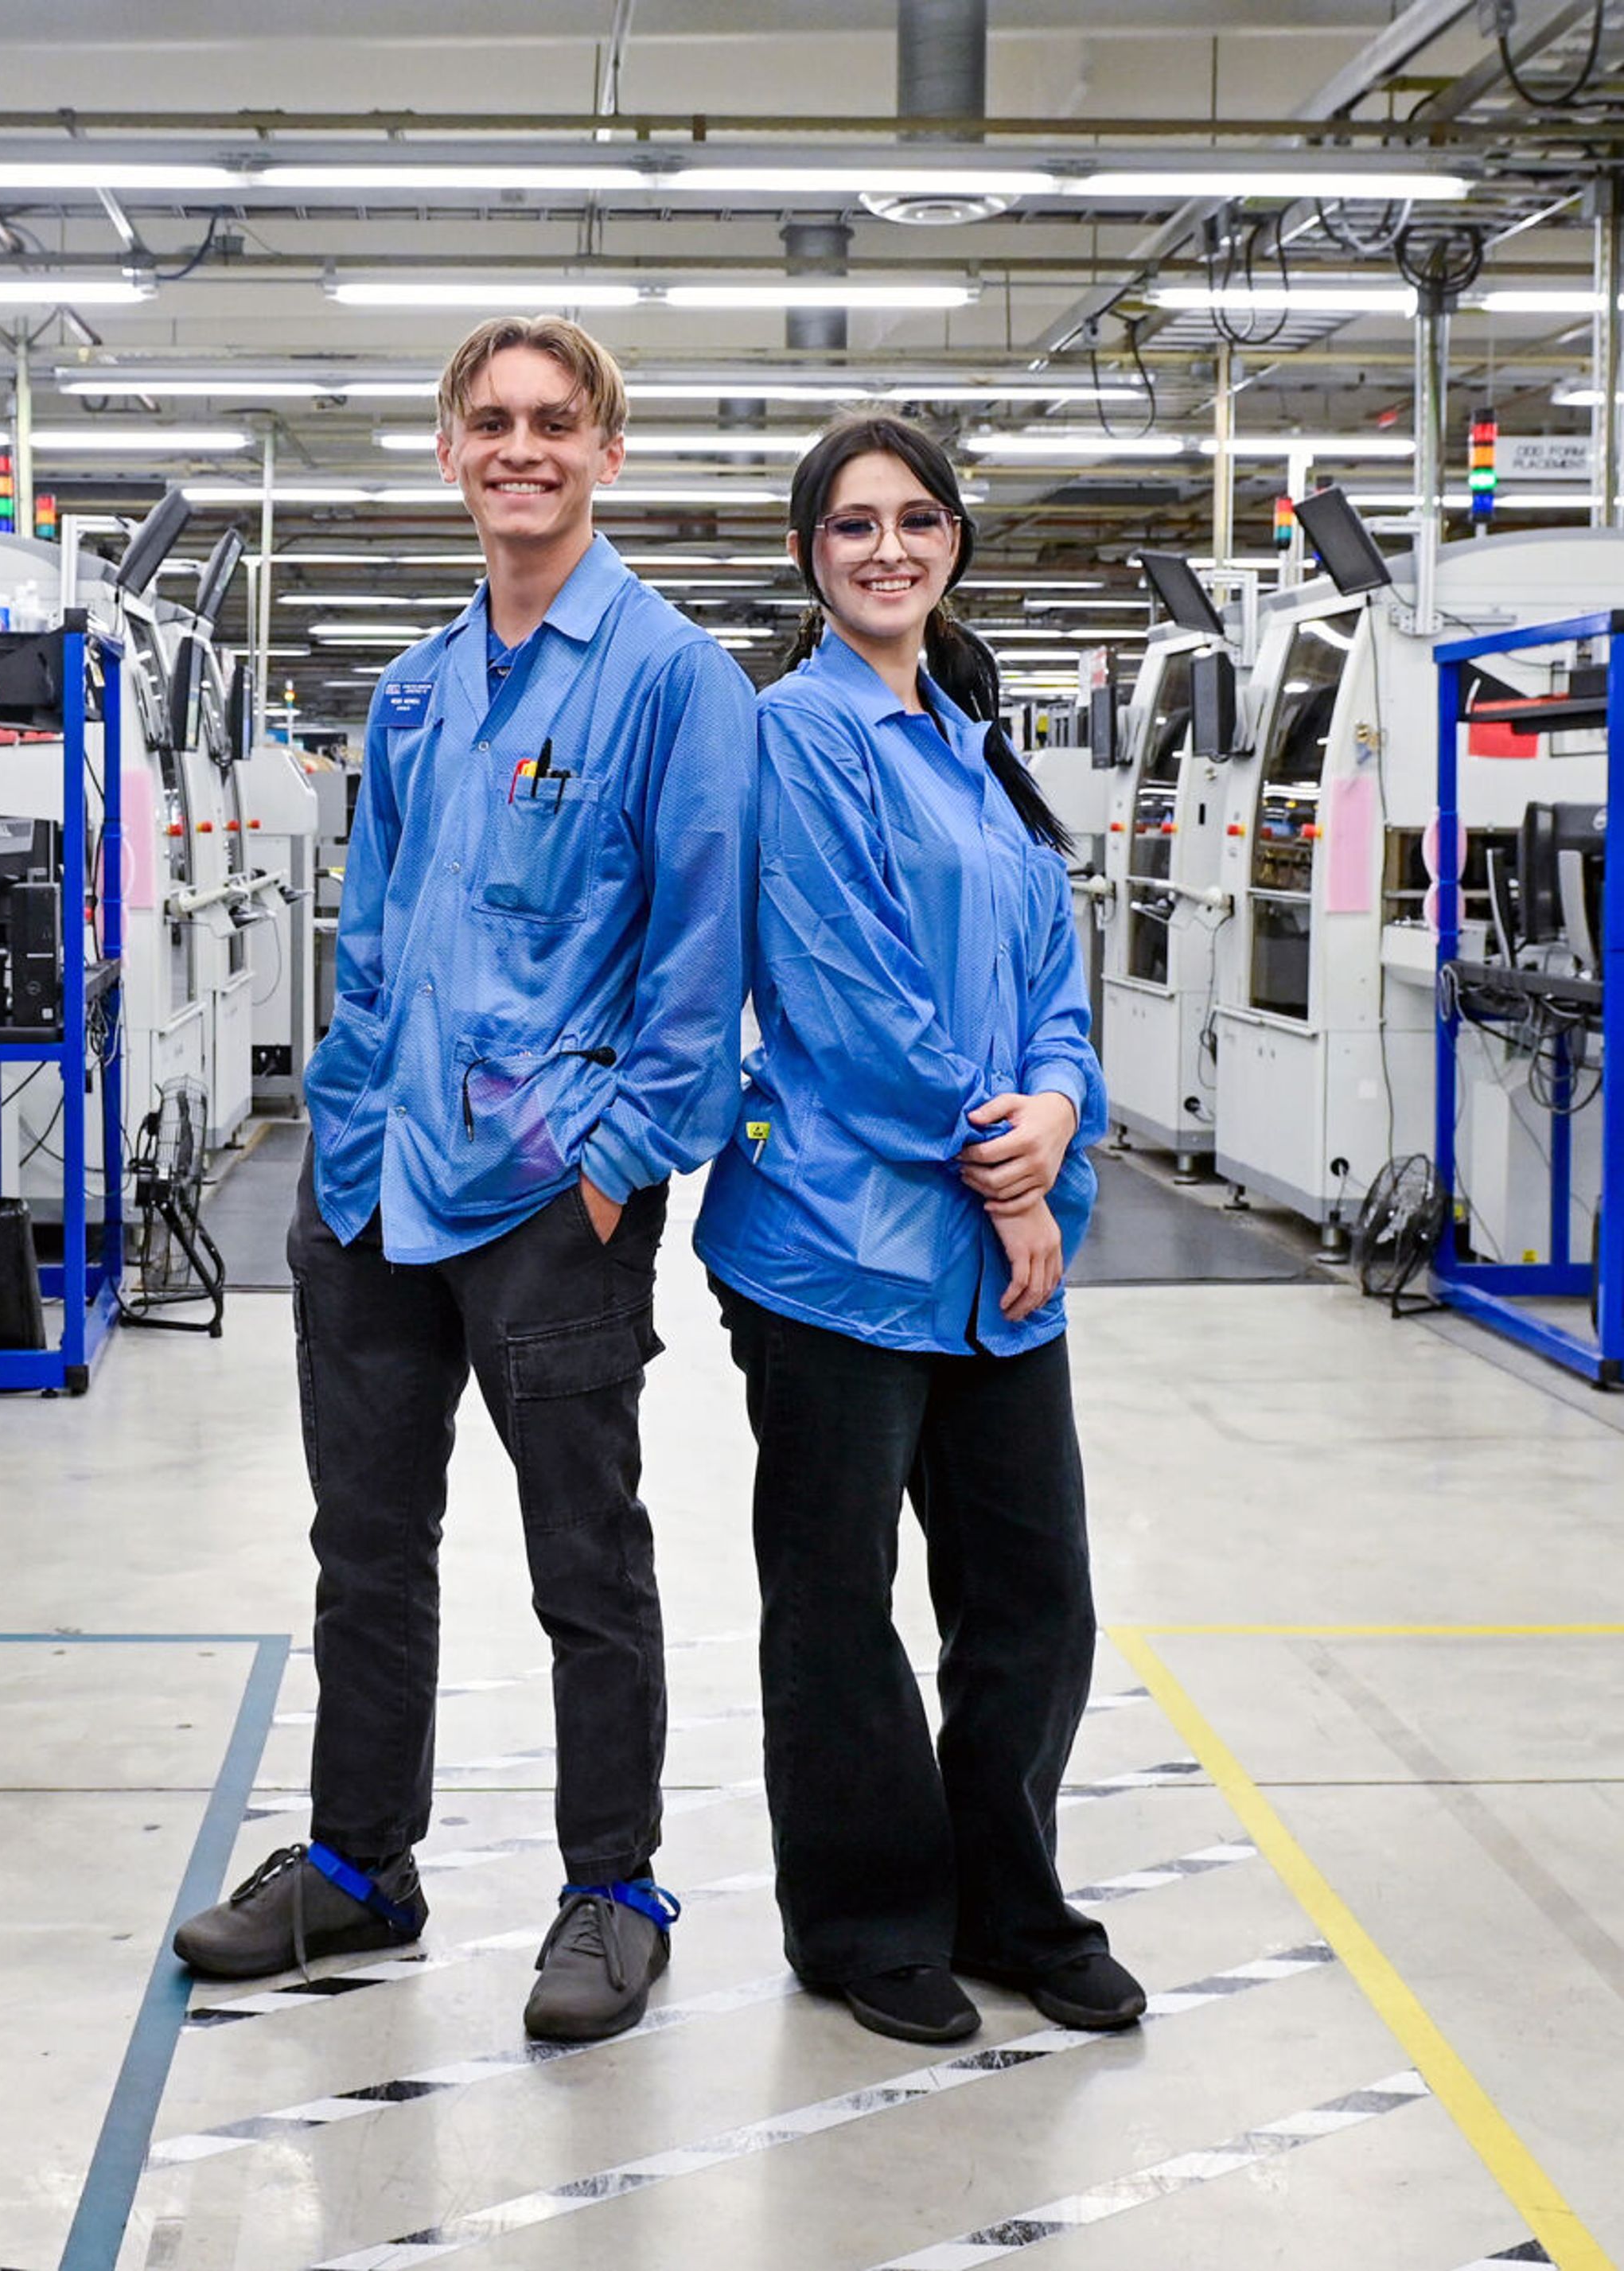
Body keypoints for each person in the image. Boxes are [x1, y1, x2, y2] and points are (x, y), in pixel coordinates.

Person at [169, 315, 757, 2043]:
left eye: (554, 423)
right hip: (369, 1188)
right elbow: (378, 933)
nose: (522, 448)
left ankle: (614, 1883)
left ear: (603, 453)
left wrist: (613, 1162)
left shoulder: (672, 680)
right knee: (367, 1547)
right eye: (491, 421)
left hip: (541, 1200)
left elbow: (701, 962)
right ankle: (361, 1865)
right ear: (448, 450)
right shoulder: (416, 687)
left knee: (586, 1555)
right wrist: (336, 1118)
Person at [693, 413, 1144, 2047]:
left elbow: (1051, 974)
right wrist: (1004, 1163)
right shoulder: (790, 736)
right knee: (837, 1599)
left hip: (993, 1255)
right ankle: (868, 1917)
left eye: (917, 519)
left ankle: (1008, 1899)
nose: (888, 548)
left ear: (955, 543)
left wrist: (1058, 1110)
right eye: (853, 525)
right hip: (838, 1243)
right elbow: (844, 994)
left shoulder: (968, 735)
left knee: (1034, 1591)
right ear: (811, 556)